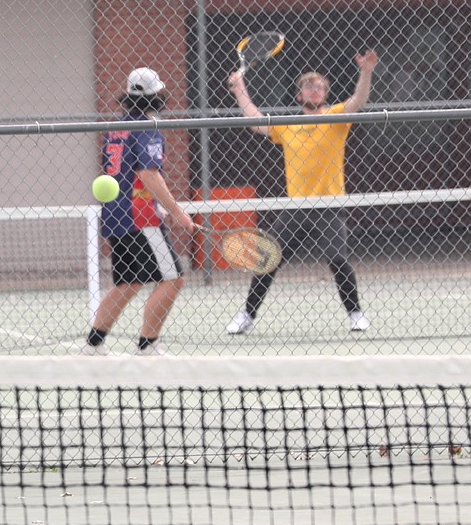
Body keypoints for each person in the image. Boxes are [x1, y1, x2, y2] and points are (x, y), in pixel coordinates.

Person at [224, 50, 379, 334]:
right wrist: (240, 90)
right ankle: (246, 315)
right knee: (267, 260)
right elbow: (255, 119)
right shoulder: (288, 125)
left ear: (325, 95)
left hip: (330, 206)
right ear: (299, 95)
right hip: (295, 207)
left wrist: (366, 72)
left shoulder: (335, 117)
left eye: (319, 86)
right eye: (309, 86)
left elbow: (359, 100)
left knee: (336, 258)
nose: (314, 89)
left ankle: (355, 313)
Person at [83, 68, 196, 357]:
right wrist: (177, 212)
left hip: (114, 215)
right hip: (140, 216)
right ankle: (147, 345)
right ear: (156, 96)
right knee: (173, 278)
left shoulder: (115, 127)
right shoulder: (147, 128)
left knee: (127, 282)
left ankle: (93, 346)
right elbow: (149, 175)